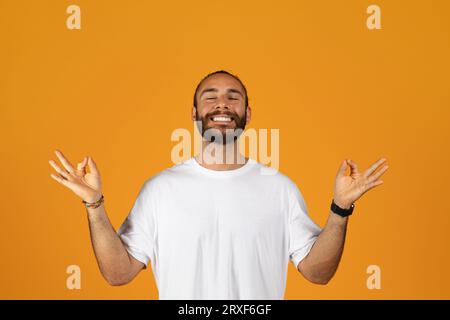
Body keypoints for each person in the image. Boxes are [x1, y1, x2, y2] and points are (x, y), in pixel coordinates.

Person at [49, 70, 389, 299]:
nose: (222, 104)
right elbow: (118, 273)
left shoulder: (280, 189)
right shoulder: (159, 190)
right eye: (210, 97)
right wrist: (94, 204)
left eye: (233, 97)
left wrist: (340, 208)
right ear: (195, 114)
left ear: (248, 113)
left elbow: (318, 273)